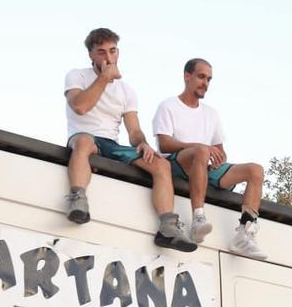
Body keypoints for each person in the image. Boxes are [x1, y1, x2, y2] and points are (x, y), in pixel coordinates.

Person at [63, 28, 195, 252]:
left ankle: (167, 227)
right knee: (84, 142)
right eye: (101, 52)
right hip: (84, 137)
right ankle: (78, 199)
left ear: (118, 52)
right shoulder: (77, 75)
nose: (108, 57)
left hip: (111, 144)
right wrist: (104, 78)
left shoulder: (127, 90)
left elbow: (133, 130)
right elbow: (80, 106)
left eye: (112, 51)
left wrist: (142, 143)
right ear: (91, 55)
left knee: (161, 164)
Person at [152, 58, 268, 260]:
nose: (205, 83)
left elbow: (219, 150)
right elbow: (163, 144)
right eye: (201, 77)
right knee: (202, 152)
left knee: (255, 170)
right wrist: (198, 147)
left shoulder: (211, 114)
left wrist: (219, 158)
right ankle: (198, 217)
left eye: (209, 79)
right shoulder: (168, 106)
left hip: (204, 167)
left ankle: (244, 234)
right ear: (187, 76)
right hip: (178, 163)